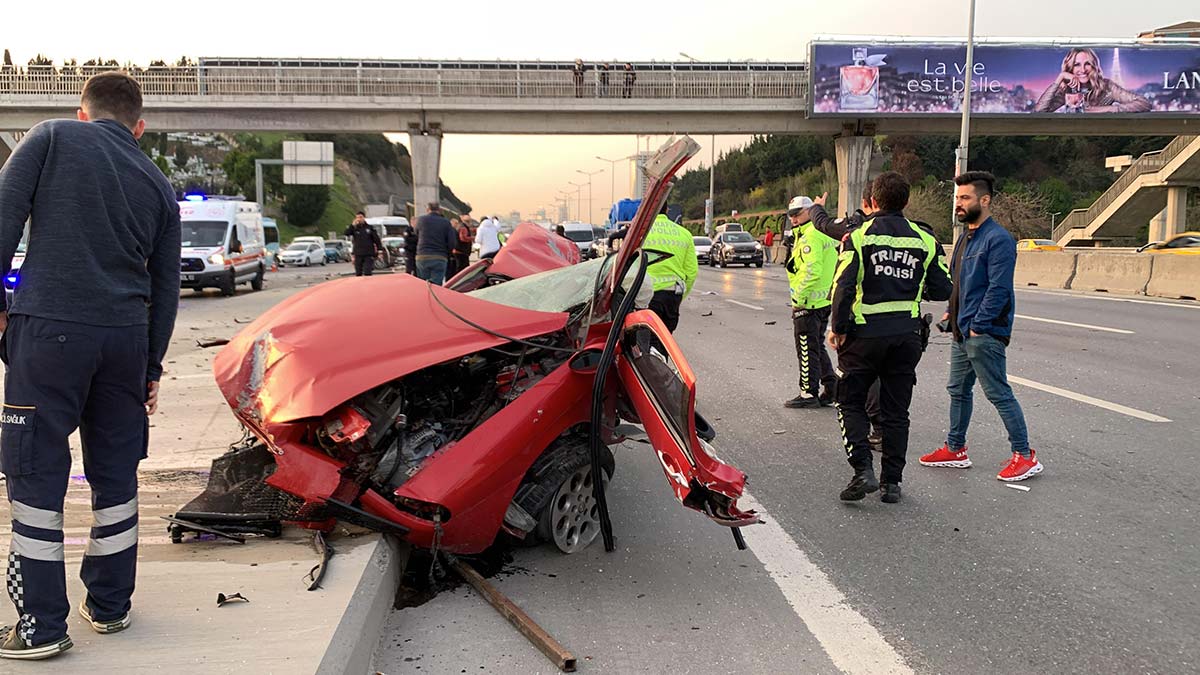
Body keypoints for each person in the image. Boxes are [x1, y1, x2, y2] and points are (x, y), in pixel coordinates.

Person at [0, 72, 181, 660]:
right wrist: (150, 366)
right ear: (140, 126)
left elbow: (2, 219)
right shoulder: (157, 182)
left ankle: (40, 626)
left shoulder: (51, 137)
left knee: (36, 474)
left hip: (49, 330)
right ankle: (110, 606)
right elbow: (166, 286)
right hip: (126, 341)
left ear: (83, 113)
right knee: (115, 473)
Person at [827, 172, 952, 504]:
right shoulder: (925, 241)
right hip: (906, 337)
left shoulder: (858, 237)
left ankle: (862, 470)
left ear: (872, 202)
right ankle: (891, 484)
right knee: (897, 412)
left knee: (850, 401)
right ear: (906, 202)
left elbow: (843, 286)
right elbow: (943, 288)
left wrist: (837, 328)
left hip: (863, 336)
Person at [920, 171, 1042, 482]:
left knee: (998, 392)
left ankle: (1025, 455)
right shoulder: (965, 238)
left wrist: (978, 325)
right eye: (956, 199)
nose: (958, 205)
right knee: (958, 390)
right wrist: (950, 313)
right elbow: (958, 284)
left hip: (983, 333)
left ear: (984, 200)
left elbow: (998, 289)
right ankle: (955, 449)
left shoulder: (998, 239)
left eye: (965, 198)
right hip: (962, 330)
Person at [809, 183, 885, 450]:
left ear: (868, 203)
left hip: (863, 319)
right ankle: (884, 432)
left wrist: (817, 206)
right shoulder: (909, 233)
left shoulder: (857, 231)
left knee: (861, 380)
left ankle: (872, 432)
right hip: (900, 322)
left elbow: (824, 224)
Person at [783, 196, 838, 409]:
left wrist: (799, 298)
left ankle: (808, 393)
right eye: (791, 215)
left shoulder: (810, 236)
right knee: (816, 346)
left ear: (810, 212)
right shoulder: (824, 232)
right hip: (824, 299)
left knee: (806, 348)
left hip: (809, 302)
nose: (794, 219)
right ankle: (831, 386)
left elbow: (811, 270)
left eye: (798, 214)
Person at [607, 203, 697, 332]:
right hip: (671, 295)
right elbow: (691, 272)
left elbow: (625, 265)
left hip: (643, 297)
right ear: (667, 209)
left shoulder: (638, 234)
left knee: (644, 340)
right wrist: (679, 297)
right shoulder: (684, 234)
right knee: (665, 339)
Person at [1034, 48, 1150, 114]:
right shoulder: (1067, 89)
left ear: (1094, 66)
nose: (1083, 70)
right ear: (1070, 68)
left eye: (1087, 64)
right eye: (1077, 65)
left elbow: (1144, 103)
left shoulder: (1106, 86)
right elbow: (1039, 112)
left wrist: (1107, 109)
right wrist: (1060, 78)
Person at [414, 203, 457, 285]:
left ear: (428, 210)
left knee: (423, 284)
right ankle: (434, 297)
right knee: (436, 285)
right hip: (439, 256)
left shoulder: (420, 220)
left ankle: (424, 297)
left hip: (422, 256)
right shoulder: (446, 222)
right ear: (439, 210)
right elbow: (452, 242)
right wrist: (447, 253)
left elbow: (416, 234)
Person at [344, 211, 383, 277]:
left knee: (367, 271)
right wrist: (352, 225)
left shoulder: (370, 228)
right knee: (358, 273)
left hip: (368, 253)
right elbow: (346, 233)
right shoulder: (355, 228)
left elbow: (377, 240)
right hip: (358, 253)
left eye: (360, 217)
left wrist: (380, 251)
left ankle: (368, 285)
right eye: (357, 217)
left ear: (364, 218)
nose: (359, 219)